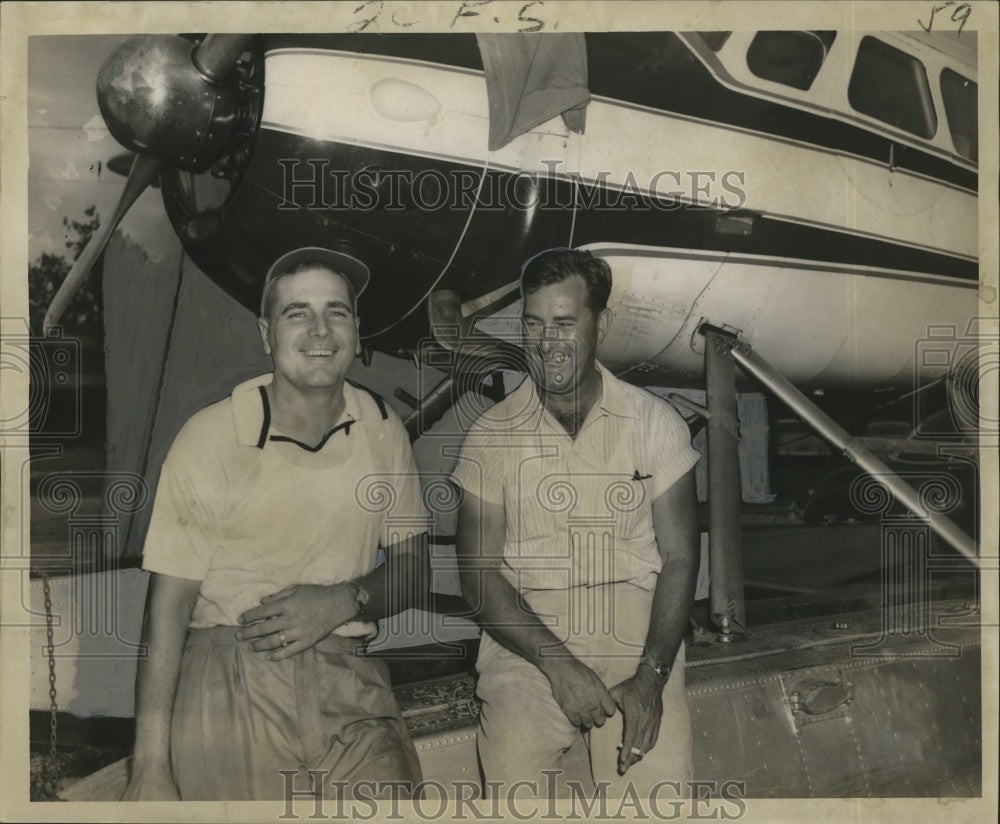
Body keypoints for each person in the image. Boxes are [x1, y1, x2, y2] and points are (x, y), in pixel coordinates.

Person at [122, 247, 430, 801]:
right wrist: (149, 765)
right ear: (267, 333)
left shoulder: (384, 429)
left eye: (337, 312)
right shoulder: (211, 437)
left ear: (357, 332)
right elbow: (167, 608)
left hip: (349, 681)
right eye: (297, 313)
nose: (320, 330)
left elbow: (414, 569)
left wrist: (345, 599)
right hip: (231, 678)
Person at [452, 248, 700, 799]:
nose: (547, 342)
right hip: (527, 636)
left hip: (636, 628)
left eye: (565, 322)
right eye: (534, 324)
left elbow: (681, 557)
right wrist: (561, 668)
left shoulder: (655, 424)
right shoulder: (489, 437)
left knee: (655, 800)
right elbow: (478, 579)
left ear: (601, 323)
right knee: (515, 784)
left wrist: (653, 676)